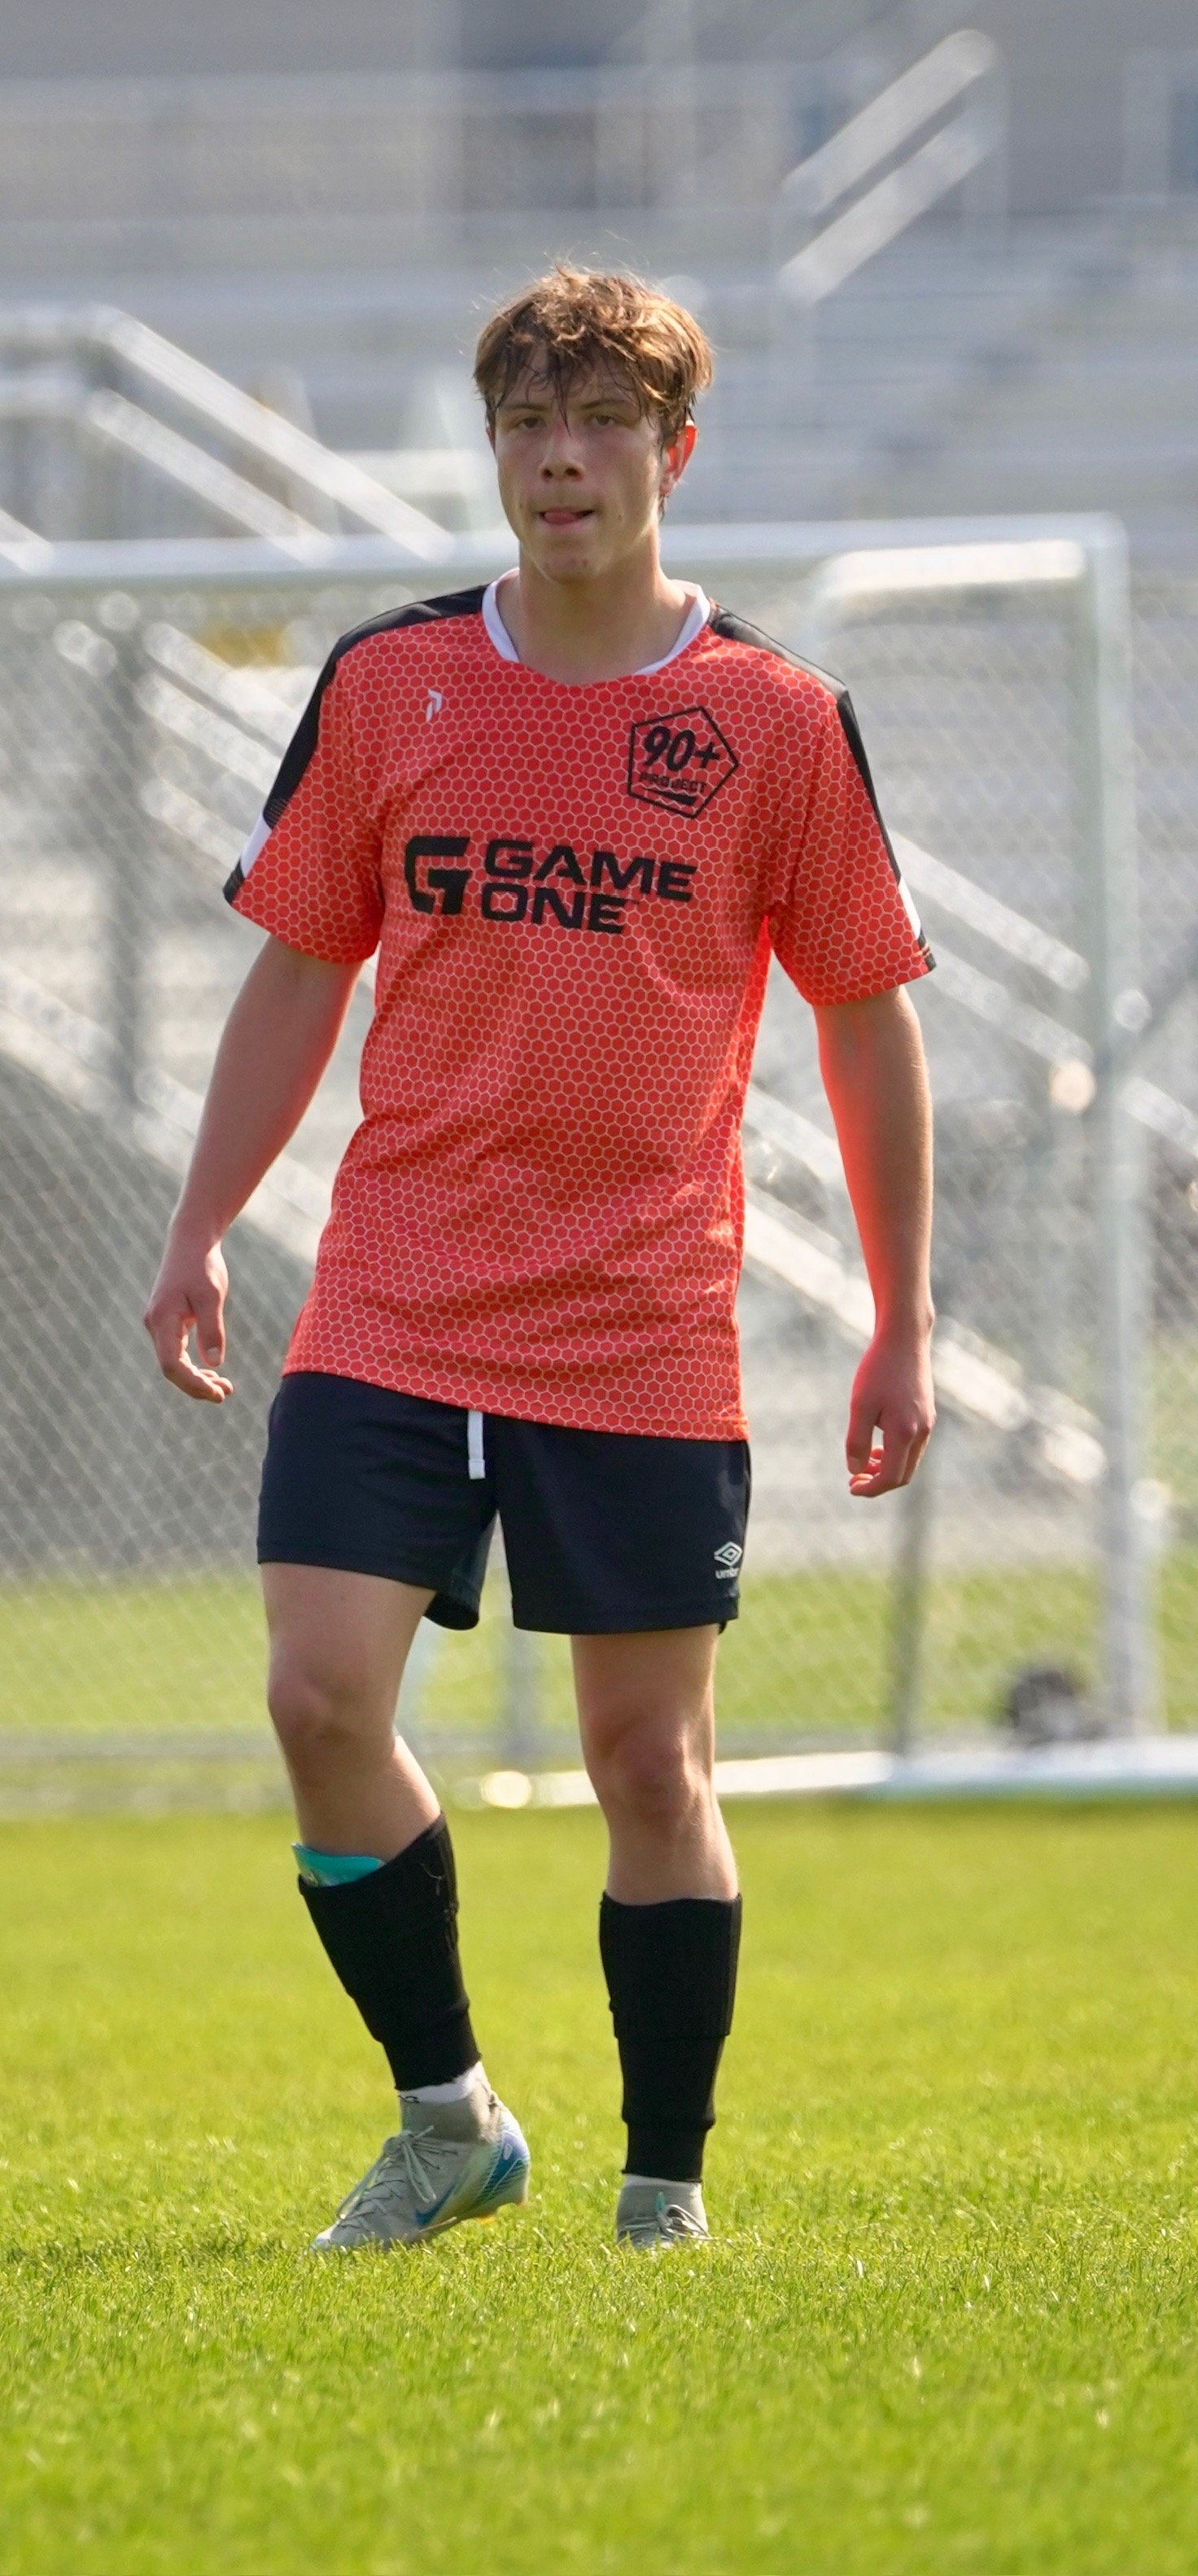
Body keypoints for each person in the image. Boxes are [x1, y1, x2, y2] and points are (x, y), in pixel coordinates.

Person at [144, 266, 936, 2254]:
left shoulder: (770, 720)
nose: (559, 460)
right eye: (523, 423)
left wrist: (902, 1318)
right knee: (321, 1696)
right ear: (492, 446)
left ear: (677, 452)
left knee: (646, 1761)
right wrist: (198, 1227)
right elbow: (298, 966)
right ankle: (449, 2118)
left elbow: (863, 1010)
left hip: (643, 1315)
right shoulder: (397, 682)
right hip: (397, 1287)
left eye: (599, 425)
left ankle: (659, 2192)